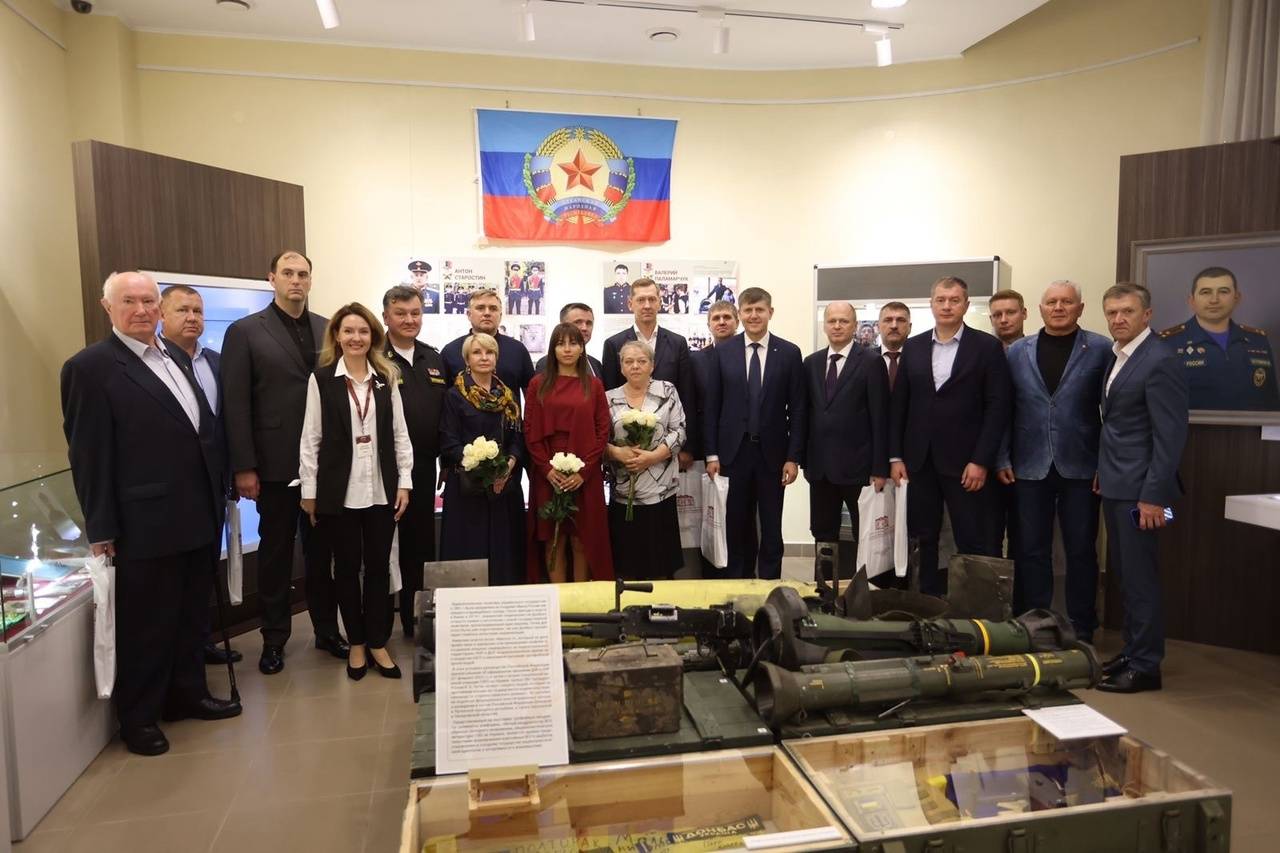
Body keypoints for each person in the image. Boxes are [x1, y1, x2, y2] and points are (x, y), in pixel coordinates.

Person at [62, 272, 241, 756]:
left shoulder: (175, 357)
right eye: (129, 301)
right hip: (144, 522)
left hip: (198, 513)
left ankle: (187, 695)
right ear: (108, 307)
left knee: (190, 615)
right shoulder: (91, 368)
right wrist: (100, 527)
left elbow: (199, 431)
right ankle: (138, 718)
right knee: (147, 624)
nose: (141, 310)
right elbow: (89, 455)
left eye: (147, 300)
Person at [221, 251, 345, 675]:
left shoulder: (328, 328)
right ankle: (274, 639)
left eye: (303, 274)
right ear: (271, 278)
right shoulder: (245, 332)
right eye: (288, 273)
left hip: (324, 465)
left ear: (311, 280)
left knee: (322, 553)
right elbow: (236, 403)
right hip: (274, 465)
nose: (296, 280)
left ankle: (327, 630)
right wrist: (244, 466)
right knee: (275, 555)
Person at [299, 303, 413, 681]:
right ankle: (357, 643)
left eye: (363, 331)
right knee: (346, 569)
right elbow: (311, 437)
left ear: (372, 336)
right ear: (337, 336)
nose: (356, 338)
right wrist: (309, 490)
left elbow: (399, 434)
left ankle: (378, 641)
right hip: (340, 491)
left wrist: (405, 481)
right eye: (348, 331)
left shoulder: (386, 377)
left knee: (378, 568)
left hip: (381, 488)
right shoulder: (321, 379)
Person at [995, 281, 1111, 641]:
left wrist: (1105, 464)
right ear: (1040, 309)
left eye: (1066, 302)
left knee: (1081, 550)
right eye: (1052, 302)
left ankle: (1082, 626)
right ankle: (1036, 624)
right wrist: (1001, 456)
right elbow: (1004, 410)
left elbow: (1113, 412)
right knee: (1031, 550)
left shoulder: (1101, 349)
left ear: (1080, 308)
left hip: (1082, 466)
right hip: (1028, 465)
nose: (1059, 308)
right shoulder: (1018, 351)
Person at [889, 276, 1012, 596]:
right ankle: (927, 603)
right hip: (920, 461)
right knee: (923, 537)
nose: (947, 306)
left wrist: (981, 460)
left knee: (972, 539)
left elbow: (997, 407)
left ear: (966, 305)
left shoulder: (986, 347)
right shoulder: (914, 346)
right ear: (931, 304)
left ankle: (973, 610)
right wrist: (896, 456)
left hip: (967, 463)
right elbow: (900, 405)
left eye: (954, 300)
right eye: (941, 300)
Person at [1096, 282, 1188, 693]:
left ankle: (1147, 666)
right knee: (1127, 576)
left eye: (1127, 311)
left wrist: (1153, 497)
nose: (1118, 319)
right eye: (1112, 312)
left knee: (1141, 578)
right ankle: (1133, 652)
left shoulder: (1159, 359)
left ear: (1147, 315)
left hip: (1144, 494)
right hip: (1117, 484)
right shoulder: (1119, 356)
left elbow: (1170, 438)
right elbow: (1117, 425)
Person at [159, 284, 244, 667]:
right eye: (182, 310)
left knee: (205, 571)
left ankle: (201, 641)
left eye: (197, 310)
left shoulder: (216, 361)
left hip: (213, 487)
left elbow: (229, 421)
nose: (192, 317)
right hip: (174, 494)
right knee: (175, 582)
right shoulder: (157, 365)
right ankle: (181, 657)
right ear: (162, 315)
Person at [703, 287, 806, 580]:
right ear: (740, 314)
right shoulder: (723, 352)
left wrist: (793, 457)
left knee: (771, 527)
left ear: (770, 312)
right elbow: (712, 407)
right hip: (733, 455)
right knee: (736, 525)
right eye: (748, 310)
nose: (753, 315)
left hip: (773, 456)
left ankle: (770, 584)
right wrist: (712, 454)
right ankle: (739, 584)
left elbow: (798, 409)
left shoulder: (789, 353)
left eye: (759, 309)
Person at [381, 285, 447, 636]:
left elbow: (446, 415)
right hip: (381, 469)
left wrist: (447, 461)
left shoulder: (433, 358)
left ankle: (413, 620)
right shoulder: (374, 356)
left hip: (422, 467)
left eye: (415, 313)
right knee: (380, 546)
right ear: (386, 317)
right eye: (401, 313)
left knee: (418, 545)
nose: (409, 319)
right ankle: (377, 623)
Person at [525, 323, 614, 583]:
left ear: (582, 348)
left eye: (573, 343)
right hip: (548, 473)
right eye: (560, 343)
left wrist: (584, 472)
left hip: (585, 473)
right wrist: (547, 470)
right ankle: (558, 601)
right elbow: (529, 430)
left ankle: (580, 601)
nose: (567, 349)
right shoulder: (537, 384)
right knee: (553, 540)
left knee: (581, 540)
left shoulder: (594, 385)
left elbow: (602, 431)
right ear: (552, 349)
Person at [438, 333, 527, 585]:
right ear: (467, 359)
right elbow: (449, 442)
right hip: (467, 488)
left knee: (503, 553)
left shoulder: (508, 397)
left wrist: (508, 466)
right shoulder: (454, 395)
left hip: (502, 487)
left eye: (489, 352)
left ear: (496, 358)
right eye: (477, 352)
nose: (484, 357)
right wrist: (482, 469)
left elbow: (517, 438)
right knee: (469, 552)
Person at [803, 303, 889, 554]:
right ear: (825, 325)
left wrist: (880, 468)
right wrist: (802, 460)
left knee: (864, 533)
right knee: (822, 533)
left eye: (844, 321)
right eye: (832, 321)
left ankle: (862, 581)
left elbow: (880, 417)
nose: (837, 326)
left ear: (854, 325)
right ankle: (824, 579)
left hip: (860, 469)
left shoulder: (872, 362)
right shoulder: (811, 363)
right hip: (820, 469)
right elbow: (805, 413)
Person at [605, 341, 687, 580]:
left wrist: (652, 457)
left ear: (652, 365)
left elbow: (679, 430)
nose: (635, 366)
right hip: (624, 491)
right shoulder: (608, 398)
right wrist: (616, 452)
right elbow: (599, 440)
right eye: (629, 361)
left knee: (661, 565)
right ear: (621, 367)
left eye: (642, 361)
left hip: (660, 490)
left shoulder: (667, 390)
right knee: (628, 566)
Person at [602, 277, 698, 471]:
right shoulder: (613, 344)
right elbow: (608, 398)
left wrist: (687, 447)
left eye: (652, 299)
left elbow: (687, 395)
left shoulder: (677, 343)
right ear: (630, 304)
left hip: (667, 447)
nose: (647, 305)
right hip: (628, 449)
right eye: (641, 300)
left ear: (659, 303)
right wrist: (613, 451)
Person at [1159, 266, 1278, 411]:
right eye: (1205, 292)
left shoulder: (1258, 341)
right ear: (1191, 301)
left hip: (1251, 426)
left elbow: (1271, 401)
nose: (1214, 300)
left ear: (1236, 298)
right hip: (1191, 426)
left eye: (1223, 291)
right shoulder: (1167, 343)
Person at [441, 289, 536, 405]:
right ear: (469, 315)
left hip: (508, 416)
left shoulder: (517, 350)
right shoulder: (450, 351)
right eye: (480, 308)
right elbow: (442, 399)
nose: (487, 313)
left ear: (500, 316)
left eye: (493, 308)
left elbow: (532, 397)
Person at [987, 289, 1027, 561]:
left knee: (1024, 538)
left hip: (1028, 461)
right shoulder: (982, 352)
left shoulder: (1036, 351)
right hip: (985, 462)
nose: (1004, 319)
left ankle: (1021, 589)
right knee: (987, 537)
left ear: (1024, 314)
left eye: (1010, 312)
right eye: (997, 314)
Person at [689, 300, 739, 461]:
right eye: (716, 318)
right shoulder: (695, 360)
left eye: (727, 317)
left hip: (743, 443)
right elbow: (691, 404)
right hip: (706, 444)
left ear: (737, 322)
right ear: (708, 325)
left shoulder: (749, 357)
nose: (722, 322)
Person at [535, 303, 604, 377]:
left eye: (589, 323)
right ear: (563, 325)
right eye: (577, 322)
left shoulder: (596, 364)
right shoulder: (546, 364)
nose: (584, 328)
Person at [877, 301, 912, 390]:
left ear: (910, 327)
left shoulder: (921, 359)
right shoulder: (865, 360)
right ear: (878, 327)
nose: (894, 326)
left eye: (900, 320)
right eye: (888, 320)